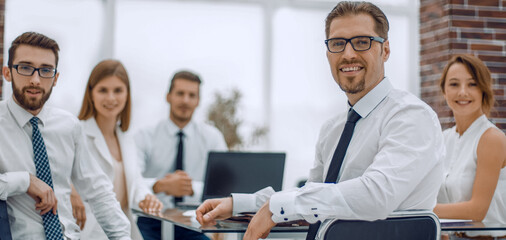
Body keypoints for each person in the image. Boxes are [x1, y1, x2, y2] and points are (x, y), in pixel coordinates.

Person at [196, 2, 445, 240]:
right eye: (338, 43)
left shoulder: (411, 116)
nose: (348, 54)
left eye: (361, 42)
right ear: (328, 54)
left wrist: (277, 207)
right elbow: (313, 194)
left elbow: (376, 196)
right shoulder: (333, 129)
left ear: (385, 50)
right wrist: (243, 204)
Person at [0, 32, 131, 239]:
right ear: (7, 73)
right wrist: (24, 181)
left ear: (56, 78)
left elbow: (99, 192)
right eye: (25, 68)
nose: (35, 80)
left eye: (45, 70)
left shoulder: (68, 126)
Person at [67, 59, 164, 239]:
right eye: (103, 90)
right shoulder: (76, 132)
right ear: (91, 93)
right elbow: (57, 175)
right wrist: (71, 191)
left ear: (127, 94)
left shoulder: (127, 139)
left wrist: (146, 197)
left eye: (118, 90)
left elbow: (135, 182)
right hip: (88, 232)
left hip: (123, 232)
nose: (111, 98)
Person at [135, 70, 227, 240]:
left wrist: (191, 188)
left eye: (192, 95)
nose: (185, 100)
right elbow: (130, 181)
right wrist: (159, 185)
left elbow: (223, 188)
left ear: (198, 101)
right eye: (180, 93)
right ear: (168, 96)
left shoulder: (213, 139)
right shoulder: (144, 136)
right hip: (150, 221)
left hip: (193, 222)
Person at [434, 54, 506, 239]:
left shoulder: (492, 138)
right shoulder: (443, 139)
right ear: (444, 91)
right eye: (454, 84)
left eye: (472, 84)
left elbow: (477, 211)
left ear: (484, 89)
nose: (463, 92)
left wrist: (421, 209)